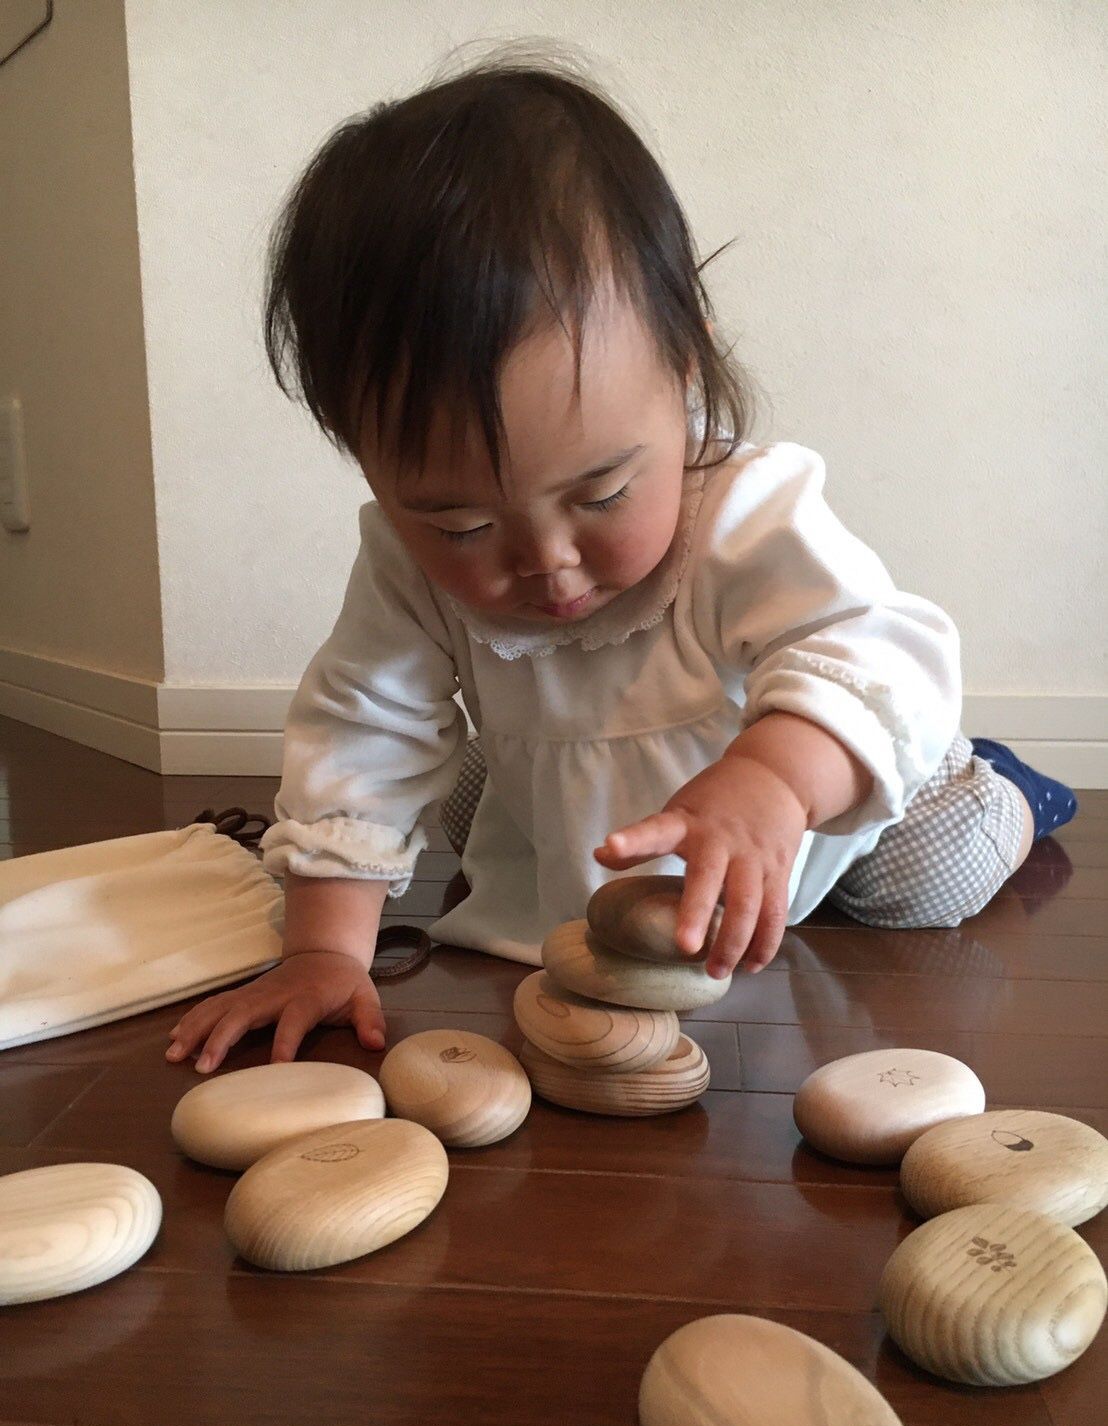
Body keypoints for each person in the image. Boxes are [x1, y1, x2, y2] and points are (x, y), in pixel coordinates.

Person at [166, 50, 1076, 1077]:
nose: (548, 564)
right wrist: (326, 947)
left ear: (684, 364)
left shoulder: (741, 510)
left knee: (929, 876)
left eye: (600, 494)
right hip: (575, 795)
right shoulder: (402, 566)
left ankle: (1004, 785)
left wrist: (773, 782)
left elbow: (870, 644)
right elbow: (363, 735)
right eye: (461, 524)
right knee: (465, 799)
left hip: (808, 803)